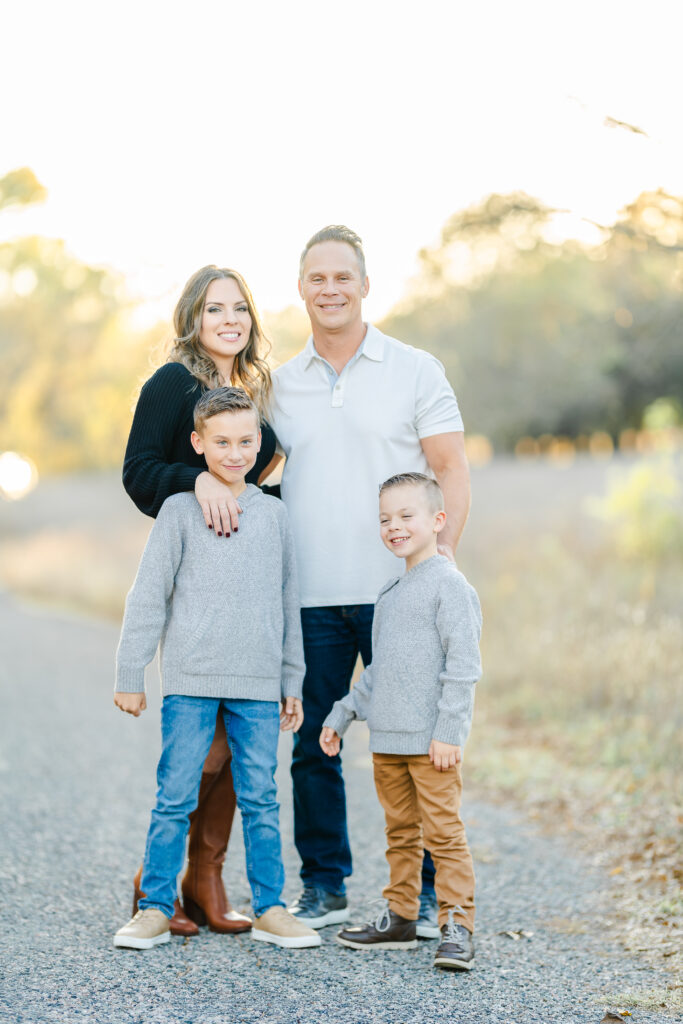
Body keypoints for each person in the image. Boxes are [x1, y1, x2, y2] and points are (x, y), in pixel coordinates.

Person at [269, 226, 471, 938]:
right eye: (316, 277)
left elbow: (449, 467)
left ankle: (411, 896)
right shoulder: (277, 383)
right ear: (300, 287)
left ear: (363, 285)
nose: (330, 289)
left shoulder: (414, 368)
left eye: (342, 277)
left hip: (399, 594)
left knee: (409, 746)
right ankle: (323, 886)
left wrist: (437, 560)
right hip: (310, 598)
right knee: (311, 746)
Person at [113, 387, 320, 951]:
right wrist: (130, 672)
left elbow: (287, 603)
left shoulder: (274, 515)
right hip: (191, 684)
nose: (235, 453)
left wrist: (291, 681)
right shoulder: (180, 511)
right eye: (222, 442)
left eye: (246, 441)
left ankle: (272, 909)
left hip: (256, 688)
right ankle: (155, 907)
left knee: (261, 799)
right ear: (197, 443)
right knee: (174, 796)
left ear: (260, 442)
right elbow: (148, 597)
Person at [122, 265, 279, 936]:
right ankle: (155, 886)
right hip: (196, 581)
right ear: (193, 318)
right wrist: (199, 483)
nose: (229, 319)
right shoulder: (172, 384)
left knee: (235, 750)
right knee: (205, 750)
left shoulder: (249, 389)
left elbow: (262, 467)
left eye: (239, 308)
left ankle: (205, 877)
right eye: (215, 308)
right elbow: (138, 472)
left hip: (245, 585)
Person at [320, 472, 482, 971]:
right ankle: (401, 917)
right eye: (385, 519)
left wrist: (449, 733)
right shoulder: (388, 595)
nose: (394, 526)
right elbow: (378, 673)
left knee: (444, 835)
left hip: (431, 745)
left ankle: (458, 924)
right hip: (387, 743)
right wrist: (343, 713)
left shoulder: (450, 588)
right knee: (400, 833)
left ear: (437, 521)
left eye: (406, 516)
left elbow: (463, 667)